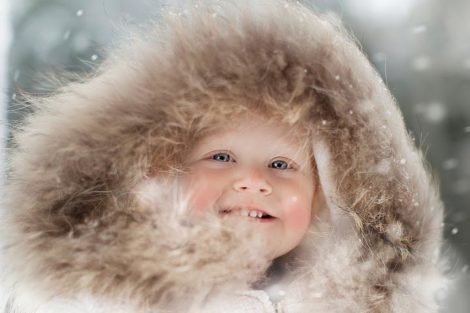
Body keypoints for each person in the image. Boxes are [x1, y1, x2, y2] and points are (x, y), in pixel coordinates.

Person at [0, 1, 447, 312]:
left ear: (324, 196)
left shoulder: (348, 303)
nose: (253, 181)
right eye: (220, 157)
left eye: (281, 165)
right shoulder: (108, 298)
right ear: (157, 172)